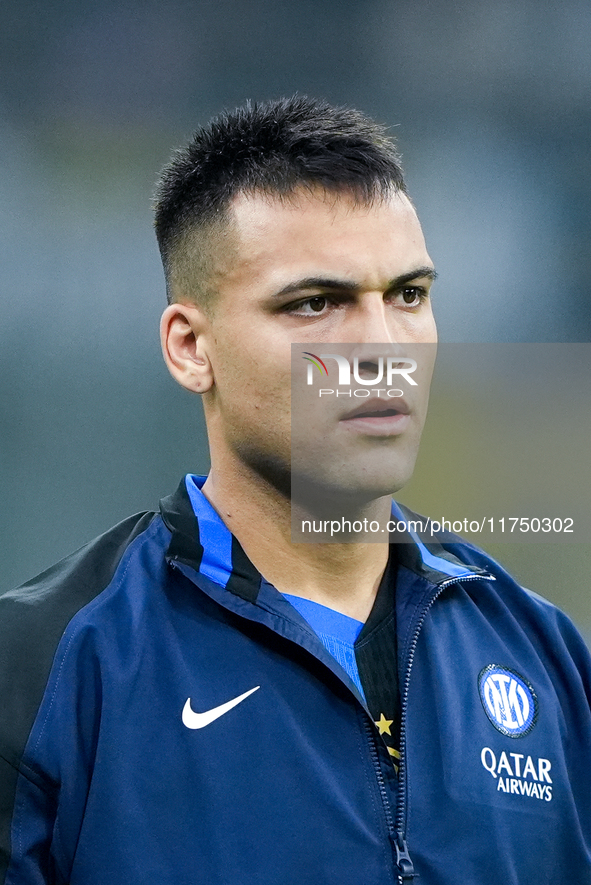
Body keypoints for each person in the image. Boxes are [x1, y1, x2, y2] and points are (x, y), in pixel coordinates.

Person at [0, 96, 589, 885]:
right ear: (189, 347)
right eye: (315, 303)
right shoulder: (46, 668)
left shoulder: (546, 656)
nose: (381, 347)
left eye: (407, 295)